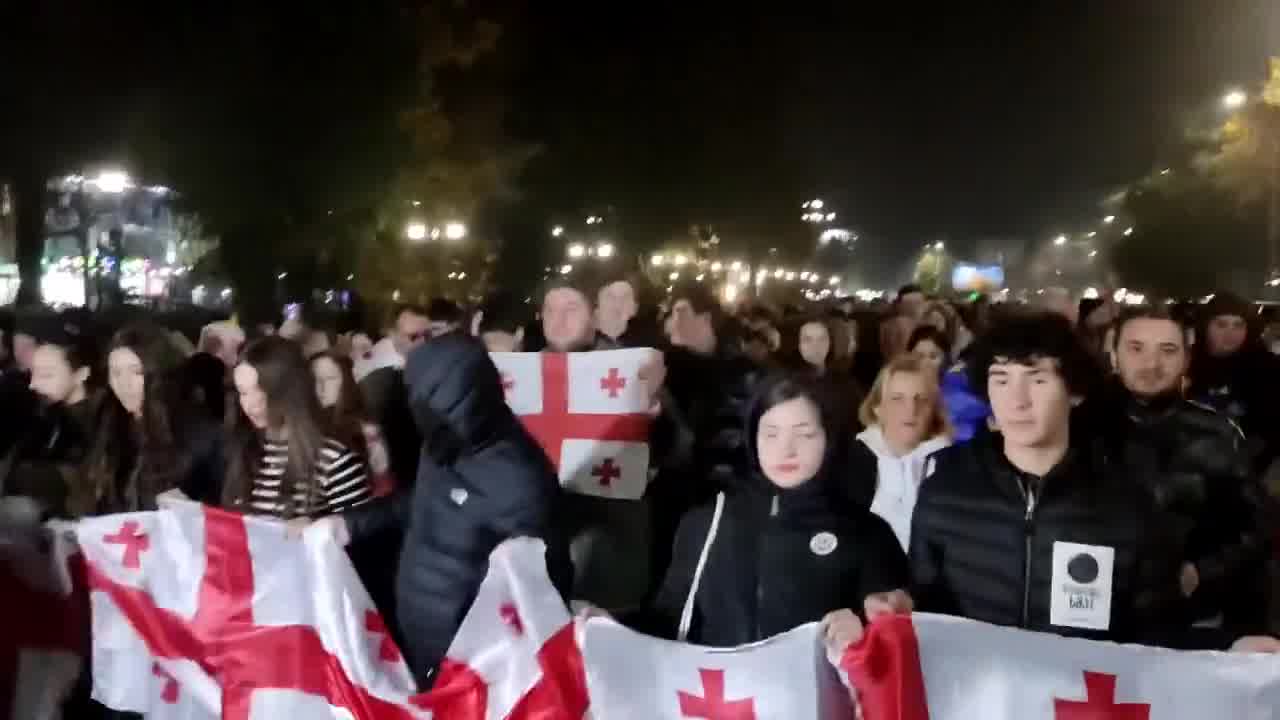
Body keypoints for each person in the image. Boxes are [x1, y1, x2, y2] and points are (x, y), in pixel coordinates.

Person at [909, 311, 1276, 651]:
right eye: (1001, 380)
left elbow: (1154, 636)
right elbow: (923, 622)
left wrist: (1227, 651)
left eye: (1037, 379)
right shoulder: (944, 492)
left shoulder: (1126, 507)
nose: (1017, 401)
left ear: (1075, 393)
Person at [338, 333, 572, 686]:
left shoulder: (521, 480)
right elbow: (420, 500)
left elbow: (541, 585)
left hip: (466, 658)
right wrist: (349, 525)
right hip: (412, 632)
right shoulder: (441, 440)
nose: (427, 424)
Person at [635, 373, 910, 653]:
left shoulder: (866, 533)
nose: (785, 449)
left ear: (829, 437)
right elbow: (667, 619)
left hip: (818, 693)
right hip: (719, 692)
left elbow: (899, 641)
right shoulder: (707, 522)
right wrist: (605, 624)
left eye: (804, 434)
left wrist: (867, 630)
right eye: (771, 434)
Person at [1100, 305, 1272, 636]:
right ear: (1114, 355)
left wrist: (1202, 571)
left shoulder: (1217, 434)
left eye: (1168, 350)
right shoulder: (1079, 427)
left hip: (1184, 617)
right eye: (1136, 348)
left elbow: (1256, 526)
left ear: (1185, 359)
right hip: (1092, 613)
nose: (1151, 364)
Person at [80, 324, 223, 516]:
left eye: (136, 372)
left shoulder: (199, 432)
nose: (124, 383)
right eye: (115, 373)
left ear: (159, 374)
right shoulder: (110, 423)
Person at [222, 337, 371, 519]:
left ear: (290, 389)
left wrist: (312, 532)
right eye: (243, 392)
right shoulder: (244, 450)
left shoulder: (334, 459)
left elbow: (360, 535)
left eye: (262, 390)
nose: (251, 404)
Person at [849, 356, 952, 552]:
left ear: (934, 410)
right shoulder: (851, 461)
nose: (910, 410)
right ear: (877, 407)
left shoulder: (953, 465)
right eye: (897, 399)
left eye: (921, 399)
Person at [1, 320, 99, 518]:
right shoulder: (50, 412)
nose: (33, 384)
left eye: (46, 375)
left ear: (81, 374)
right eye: (33, 373)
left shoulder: (100, 424)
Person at [1188, 292, 1280, 475]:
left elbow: (1272, 428)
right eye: (1221, 324)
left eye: (1239, 325)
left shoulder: (1266, 367)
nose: (1230, 333)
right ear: (1206, 326)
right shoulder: (1185, 362)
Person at [310, 349, 394, 496]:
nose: (320, 387)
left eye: (329, 379)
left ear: (347, 381)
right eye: (313, 380)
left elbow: (383, 488)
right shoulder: (305, 426)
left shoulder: (366, 431)